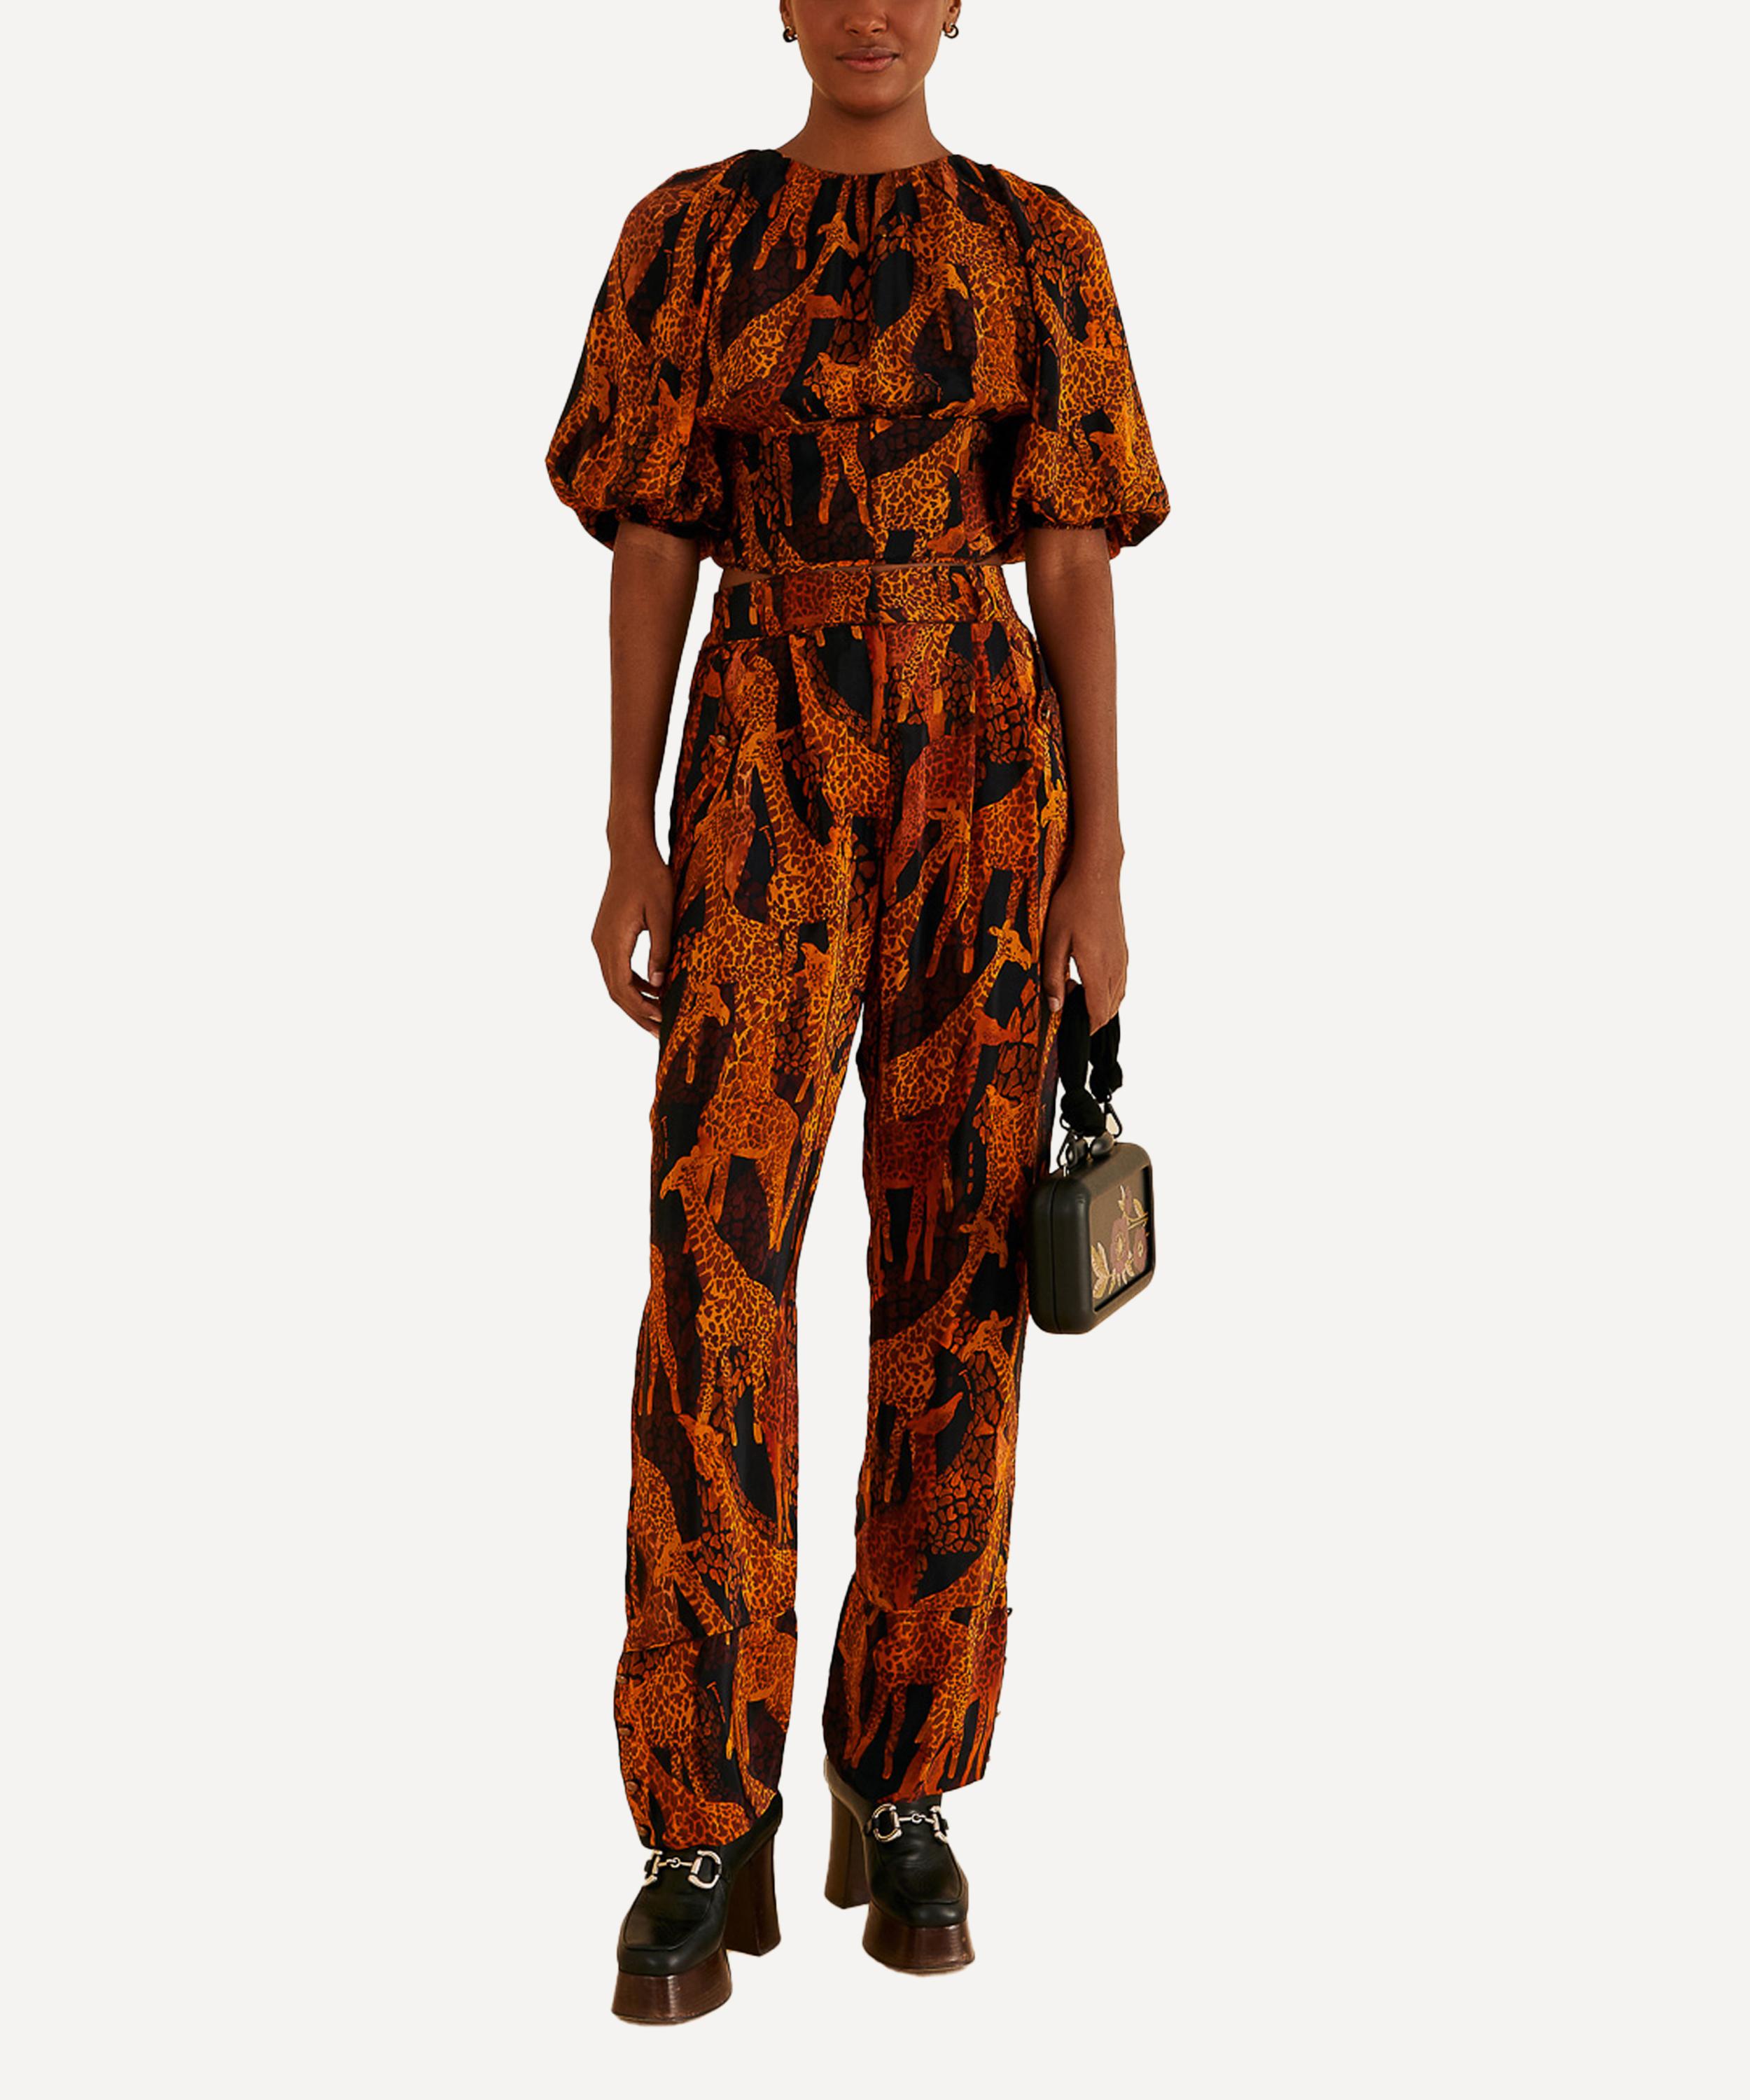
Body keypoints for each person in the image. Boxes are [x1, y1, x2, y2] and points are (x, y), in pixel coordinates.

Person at [544, 1, 1170, 2023]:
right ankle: (696, 1816)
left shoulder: (1037, 244)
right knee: (711, 1270)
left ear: (961, 3)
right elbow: (653, 541)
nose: (875, 8)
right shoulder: (689, 236)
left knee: (956, 1274)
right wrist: (630, 834)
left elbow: (1072, 556)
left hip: (985, 772)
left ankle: (901, 1781)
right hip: (759, 754)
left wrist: (1098, 862)